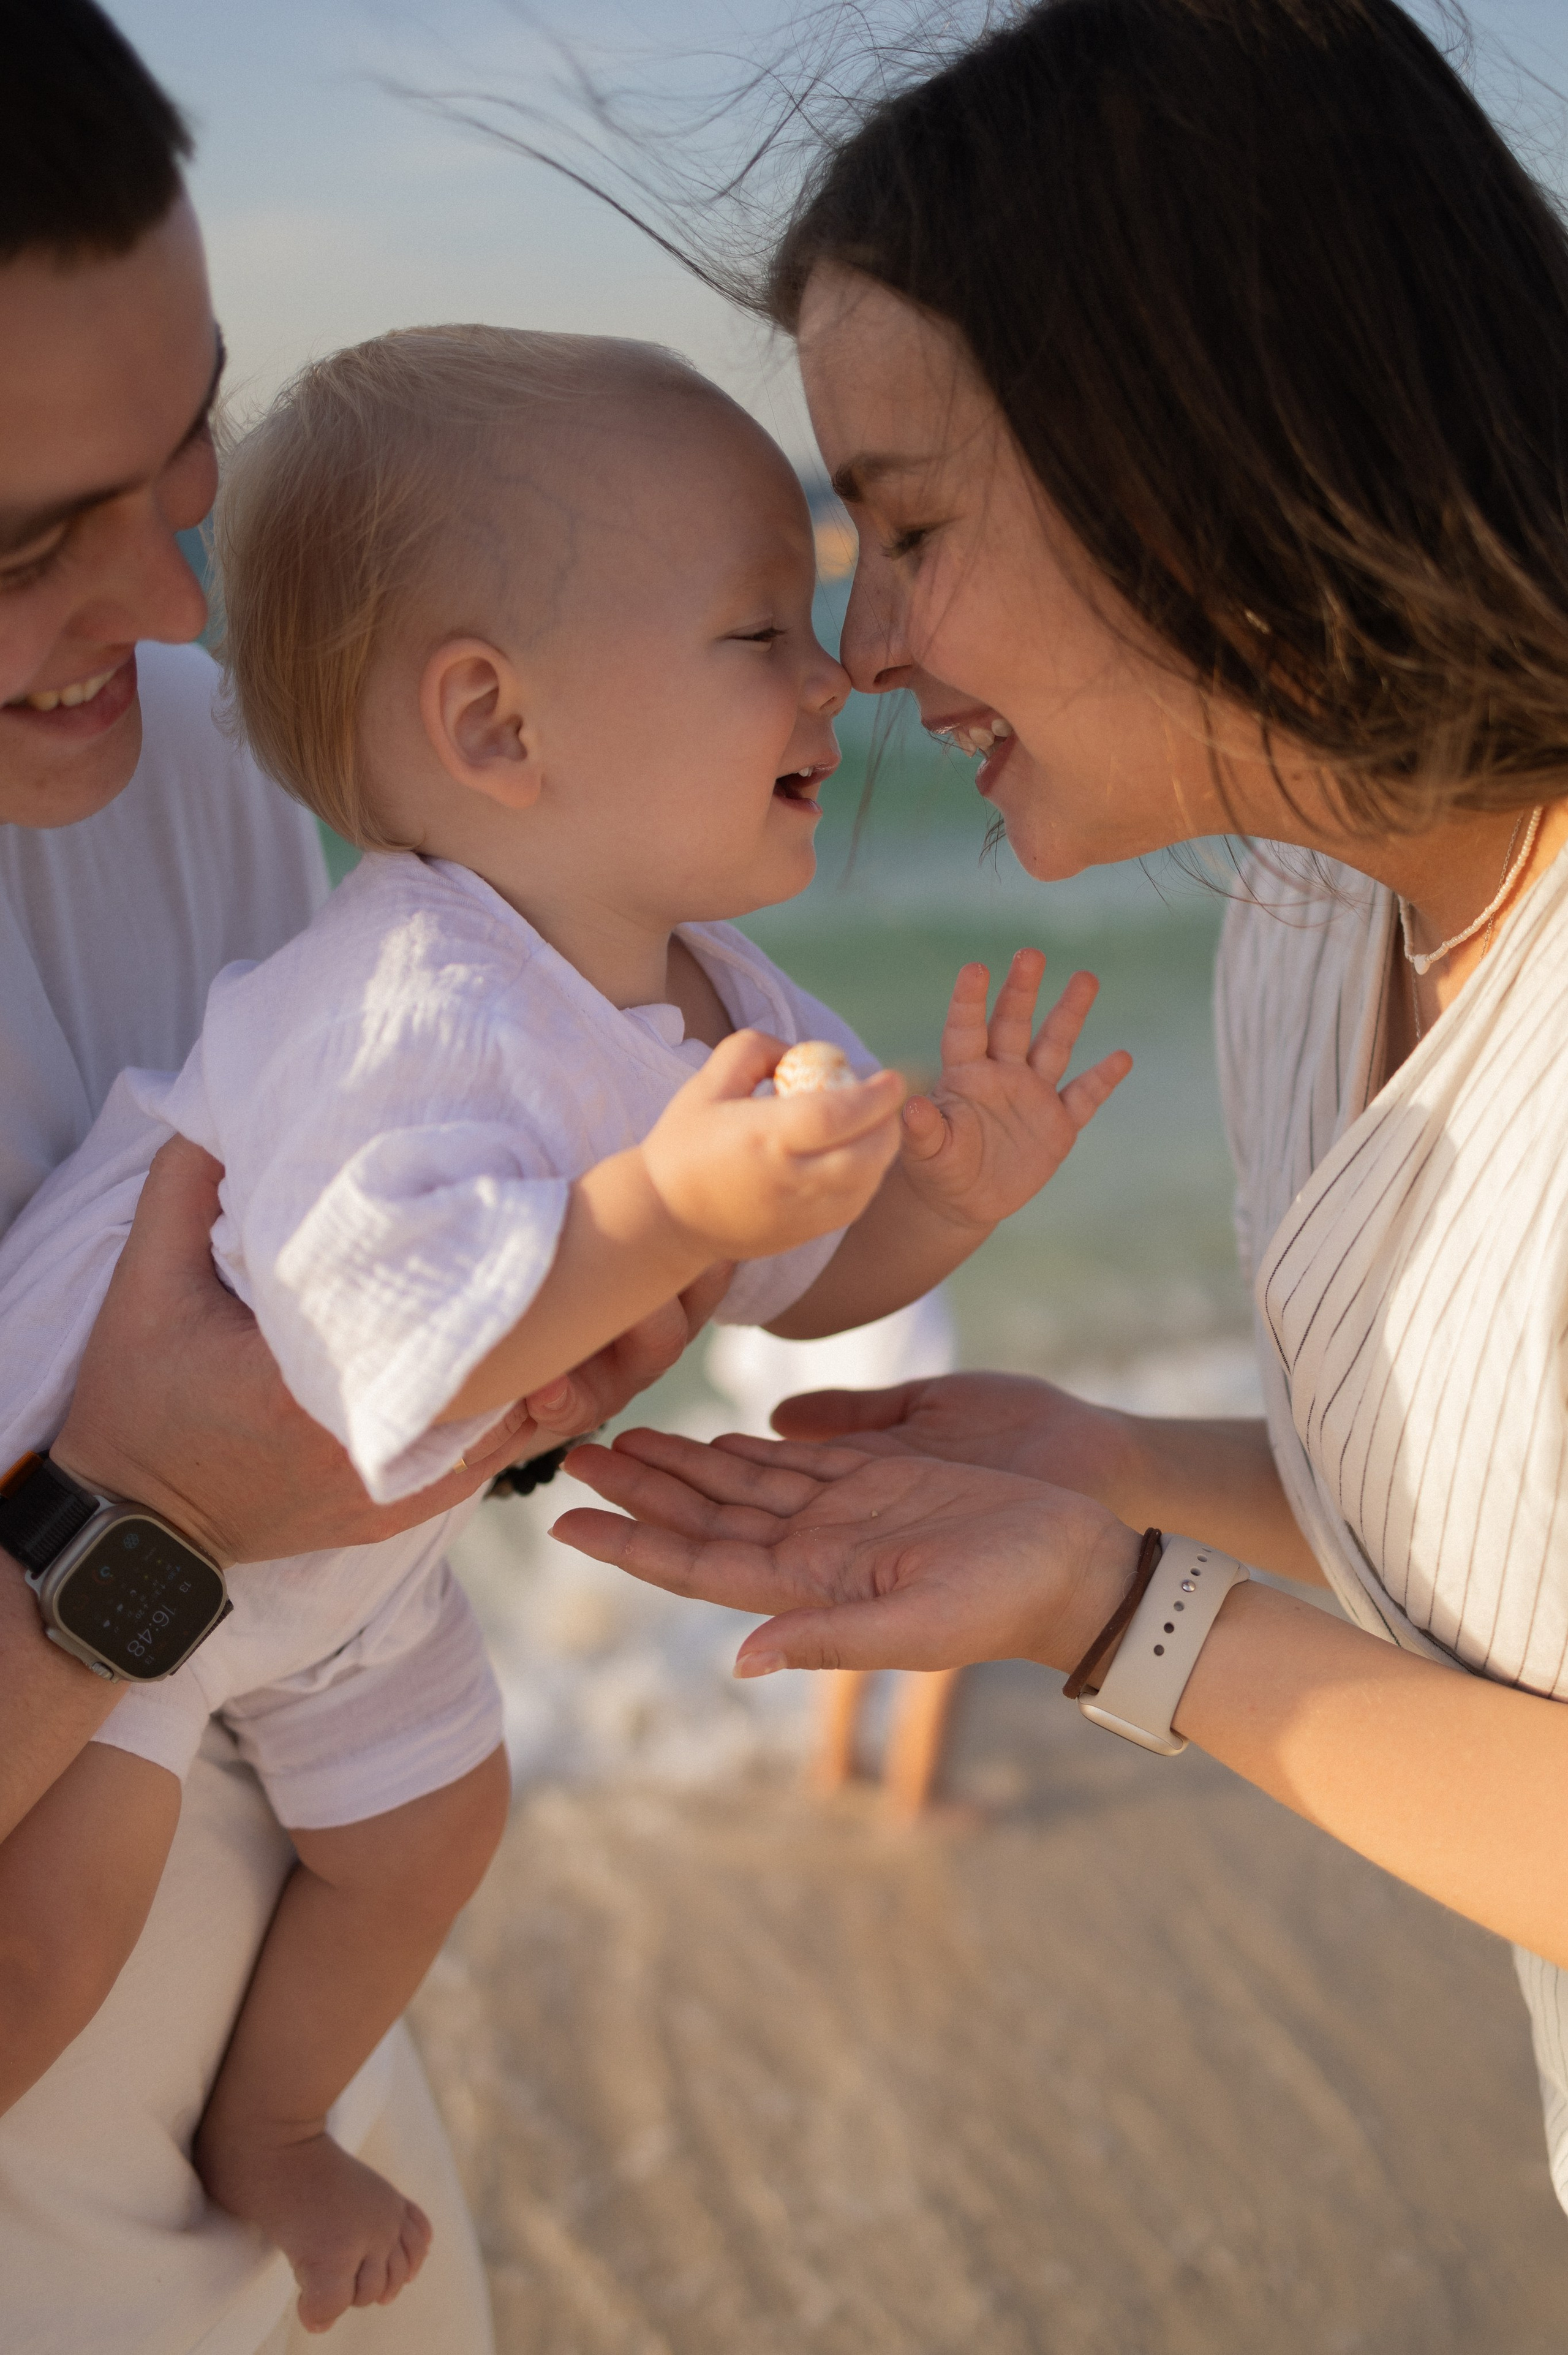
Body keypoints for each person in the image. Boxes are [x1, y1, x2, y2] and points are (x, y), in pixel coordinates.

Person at [0, 319, 1130, 2332]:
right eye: (755, 628)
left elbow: (793, 1280)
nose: (838, 671)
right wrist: (652, 1213)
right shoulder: (409, 993)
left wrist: (943, 1191)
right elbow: (379, 1345)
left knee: (439, 1822)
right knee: (53, 1944)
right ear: (496, 728)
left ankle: (269, 2125)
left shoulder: (711, 983)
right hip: (118, 1487)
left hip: (326, 1549)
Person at [551, 0, 1568, 2213]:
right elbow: (1514, 1531)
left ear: (1198, 439)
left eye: (903, 525)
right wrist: (1116, 1464)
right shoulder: (1319, 913)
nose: (866, 648)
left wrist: (1121, 1611)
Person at [0, 7, 704, 2348]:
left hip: (321, 2228)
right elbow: (186, 1496)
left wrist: (493, 1390)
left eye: (184, 444)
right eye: (27, 540)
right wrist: (124, 1526)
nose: (188, 606)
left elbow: (321, 1368)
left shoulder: (169, 753)